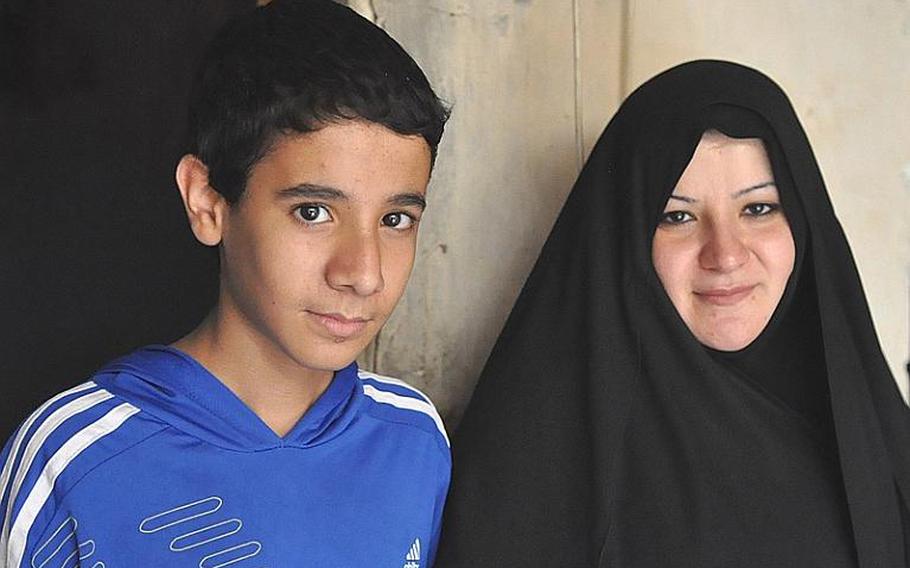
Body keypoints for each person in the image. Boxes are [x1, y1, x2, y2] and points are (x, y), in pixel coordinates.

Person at [0, 1, 450, 566]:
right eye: (313, 211)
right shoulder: (75, 457)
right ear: (208, 201)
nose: (364, 273)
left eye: (395, 220)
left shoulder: (412, 438)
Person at [437, 60, 910, 567]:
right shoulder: (538, 462)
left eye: (758, 209)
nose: (725, 255)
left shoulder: (867, 427)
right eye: (677, 216)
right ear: (626, 238)